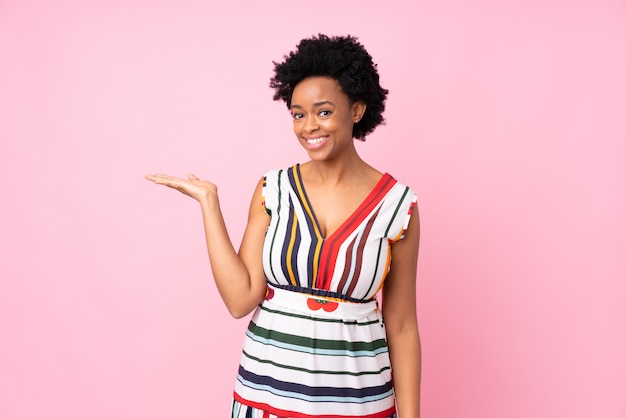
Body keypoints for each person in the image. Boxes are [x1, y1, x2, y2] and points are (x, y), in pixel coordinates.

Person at [146, 34, 421, 418]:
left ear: (357, 109)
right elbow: (241, 299)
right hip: (265, 401)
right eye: (298, 114)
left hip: (360, 406)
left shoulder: (398, 205)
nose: (309, 126)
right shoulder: (272, 190)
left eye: (323, 112)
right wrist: (209, 204)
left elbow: (403, 325)